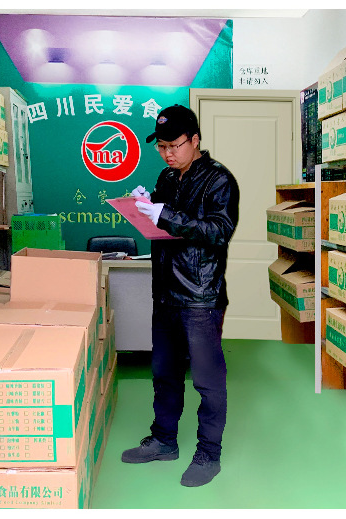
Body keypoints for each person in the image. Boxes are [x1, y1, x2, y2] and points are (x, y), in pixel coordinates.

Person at [122, 104, 240, 487]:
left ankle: (208, 454)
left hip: (200, 296)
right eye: (162, 147)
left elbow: (218, 231)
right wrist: (144, 206)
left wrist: (165, 215)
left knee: (207, 379)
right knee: (164, 374)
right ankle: (163, 440)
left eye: (175, 145)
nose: (168, 153)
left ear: (195, 140)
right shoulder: (168, 177)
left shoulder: (219, 180)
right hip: (166, 293)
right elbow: (162, 221)